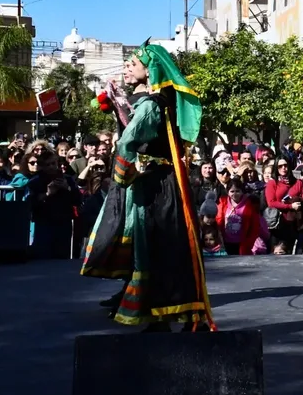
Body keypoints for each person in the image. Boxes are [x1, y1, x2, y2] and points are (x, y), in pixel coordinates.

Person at [80, 42, 214, 332]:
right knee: (159, 248)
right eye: (127, 63)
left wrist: (119, 177)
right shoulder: (152, 103)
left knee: (154, 248)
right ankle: (164, 316)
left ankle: (163, 315)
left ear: (150, 70)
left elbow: (129, 143)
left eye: (133, 63)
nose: (127, 67)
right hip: (158, 185)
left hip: (155, 190)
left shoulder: (152, 106)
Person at [217, 178, 268, 255]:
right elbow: (218, 220)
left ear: (242, 191)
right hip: (226, 242)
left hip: (242, 243)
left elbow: (254, 226)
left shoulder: (249, 206)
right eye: (232, 191)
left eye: (237, 191)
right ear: (227, 192)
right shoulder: (223, 204)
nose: (235, 194)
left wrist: (249, 242)